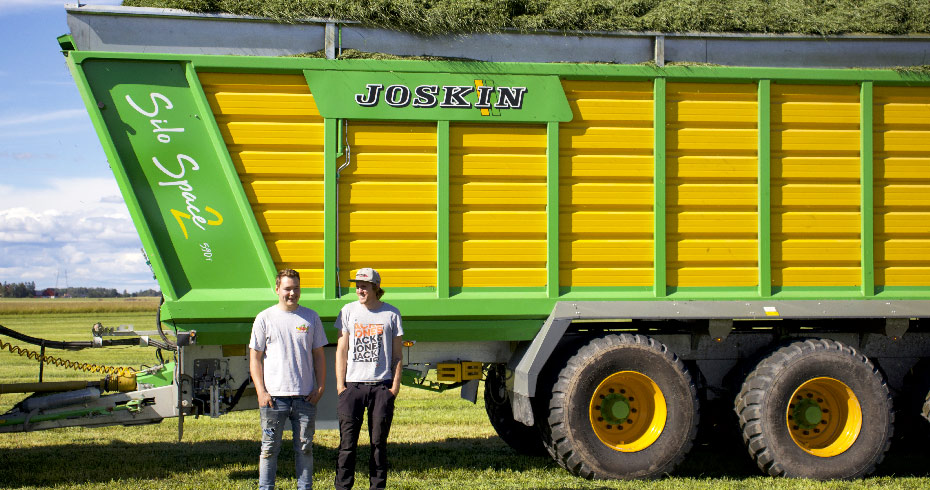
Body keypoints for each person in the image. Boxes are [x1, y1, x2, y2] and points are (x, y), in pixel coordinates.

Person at [250, 269, 327, 490]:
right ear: (277, 289)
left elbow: (319, 356)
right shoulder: (264, 318)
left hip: (305, 397)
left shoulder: (311, 317)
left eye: (296, 288)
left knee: (305, 448)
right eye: (287, 288)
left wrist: (320, 387)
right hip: (274, 398)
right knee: (268, 449)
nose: (292, 293)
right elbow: (255, 358)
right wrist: (261, 392)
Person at [334, 267, 404, 490]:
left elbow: (397, 354)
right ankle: (343, 486)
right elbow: (341, 349)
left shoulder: (391, 314)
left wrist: (394, 386)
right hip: (352, 388)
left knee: (378, 444)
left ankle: (377, 486)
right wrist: (340, 385)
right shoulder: (347, 311)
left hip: (381, 387)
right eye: (357, 285)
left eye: (364, 286)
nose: (359, 290)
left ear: (376, 287)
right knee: (347, 445)